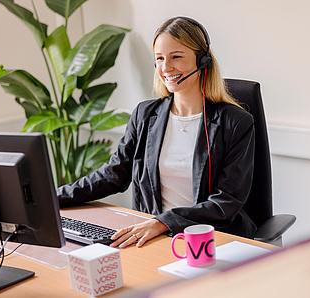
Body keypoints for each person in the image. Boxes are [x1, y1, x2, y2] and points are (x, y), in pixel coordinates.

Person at [57, 16, 256, 248]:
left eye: (176, 57)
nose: (166, 68)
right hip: (153, 237)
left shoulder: (235, 122)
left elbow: (226, 202)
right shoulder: (145, 115)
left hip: (210, 238)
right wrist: (53, 197)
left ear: (203, 61)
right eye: (159, 59)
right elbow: (113, 174)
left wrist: (163, 222)